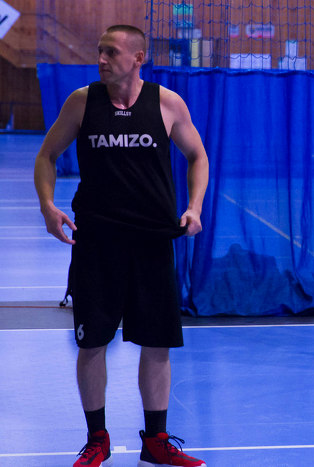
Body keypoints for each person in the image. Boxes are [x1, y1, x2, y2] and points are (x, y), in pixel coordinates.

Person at [34, 25, 209, 467]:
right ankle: (98, 439)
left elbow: (198, 156)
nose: (101, 59)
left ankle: (156, 441)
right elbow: (46, 155)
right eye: (100, 51)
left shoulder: (167, 103)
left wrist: (193, 207)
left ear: (138, 58)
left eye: (111, 52)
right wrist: (47, 205)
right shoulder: (82, 102)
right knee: (91, 343)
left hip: (152, 242)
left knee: (157, 343)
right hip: (97, 243)